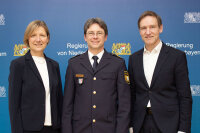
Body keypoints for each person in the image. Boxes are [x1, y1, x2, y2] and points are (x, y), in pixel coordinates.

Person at [62, 17, 130, 133]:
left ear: (106, 37)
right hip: (80, 129)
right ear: (85, 37)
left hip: (108, 129)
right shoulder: (74, 64)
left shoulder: (118, 63)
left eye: (99, 33)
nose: (95, 37)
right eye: (91, 33)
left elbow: (124, 105)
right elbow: (67, 105)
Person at [128, 11, 192, 133]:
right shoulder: (133, 58)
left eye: (152, 27)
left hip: (169, 124)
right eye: (143, 28)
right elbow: (131, 95)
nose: (148, 32)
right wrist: (130, 125)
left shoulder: (177, 56)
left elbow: (185, 97)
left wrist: (183, 129)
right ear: (139, 31)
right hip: (140, 124)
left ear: (160, 28)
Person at [9, 20, 63, 133]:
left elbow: (59, 101)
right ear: (27, 39)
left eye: (42, 35)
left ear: (47, 38)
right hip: (29, 129)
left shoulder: (54, 65)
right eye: (33, 35)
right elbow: (14, 105)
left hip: (53, 128)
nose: (38, 39)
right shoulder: (18, 65)